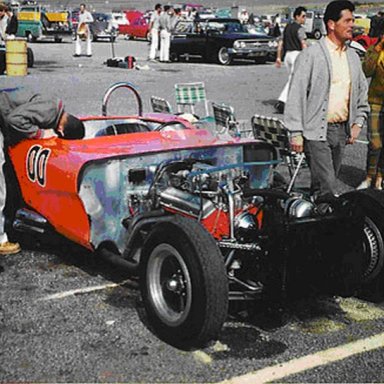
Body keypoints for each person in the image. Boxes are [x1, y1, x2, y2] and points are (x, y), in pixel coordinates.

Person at [284, 0, 369, 199]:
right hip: (316, 131)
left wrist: (358, 122)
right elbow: (296, 94)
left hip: (341, 132)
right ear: (331, 24)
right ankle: (330, 226)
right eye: (347, 20)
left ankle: (313, 221)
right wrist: (295, 132)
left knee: (323, 184)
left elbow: (361, 92)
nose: (352, 25)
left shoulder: (353, 57)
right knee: (328, 186)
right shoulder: (311, 55)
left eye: (353, 20)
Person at [0, 88, 85, 255]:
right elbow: (13, 119)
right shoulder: (50, 112)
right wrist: (39, 133)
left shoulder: (56, 105)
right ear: (61, 130)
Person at [357, 29, 384, 190]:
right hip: (376, 101)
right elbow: (366, 70)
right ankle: (369, 177)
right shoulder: (375, 49)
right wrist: (378, 47)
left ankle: (380, 178)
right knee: (375, 143)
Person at [274, 6, 308, 114]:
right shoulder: (300, 29)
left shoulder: (287, 28)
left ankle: (291, 102)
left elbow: (280, 43)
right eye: (303, 16)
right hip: (296, 55)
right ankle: (282, 101)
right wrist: (307, 56)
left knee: (293, 78)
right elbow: (303, 43)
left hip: (287, 56)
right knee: (294, 80)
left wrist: (279, 57)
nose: (304, 19)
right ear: (297, 16)